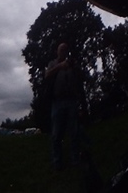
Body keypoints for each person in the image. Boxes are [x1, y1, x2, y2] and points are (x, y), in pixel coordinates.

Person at [45, 42, 83, 170]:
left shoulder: (71, 64)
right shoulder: (53, 63)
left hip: (71, 101)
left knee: (74, 132)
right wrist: (59, 67)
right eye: (61, 50)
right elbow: (47, 75)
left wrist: (74, 66)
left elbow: (79, 78)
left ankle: (75, 159)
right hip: (57, 101)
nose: (63, 52)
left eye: (65, 50)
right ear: (57, 51)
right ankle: (57, 161)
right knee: (56, 134)